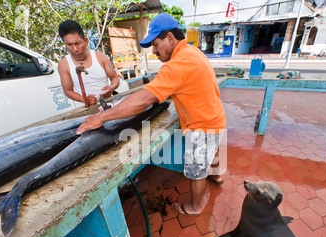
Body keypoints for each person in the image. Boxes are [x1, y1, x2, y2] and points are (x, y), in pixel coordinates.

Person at [77, 13, 226, 216]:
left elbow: (145, 99)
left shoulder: (176, 65)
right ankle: (217, 177)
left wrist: (102, 117)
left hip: (201, 127)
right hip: (216, 117)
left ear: (170, 38)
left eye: (155, 45)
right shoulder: (191, 52)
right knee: (212, 150)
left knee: (196, 171)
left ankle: (195, 207)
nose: (154, 51)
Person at [58, 20, 120, 107]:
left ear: (86, 41)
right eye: (69, 45)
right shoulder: (64, 64)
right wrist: (85, 99)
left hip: (109, 104)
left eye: (77, 43)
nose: (75, 49)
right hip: (86, 108)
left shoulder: (100, 57)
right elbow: (68, 90)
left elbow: (115, 79)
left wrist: (110, 88)